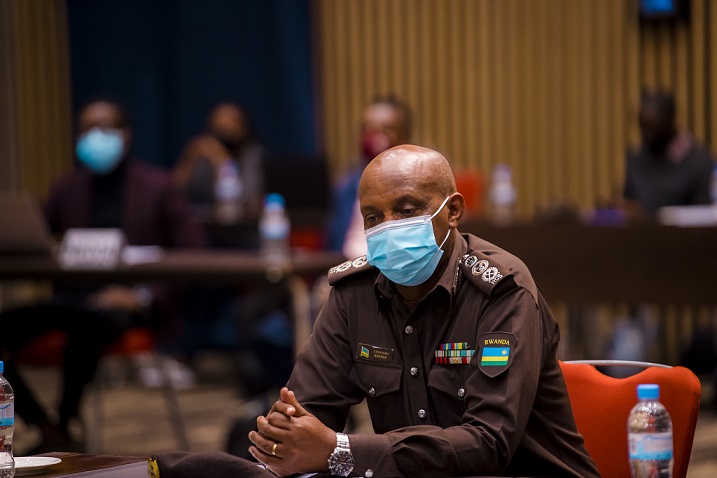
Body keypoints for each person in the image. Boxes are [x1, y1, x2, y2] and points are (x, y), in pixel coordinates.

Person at [245, 145, 600, 477]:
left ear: (453, 211)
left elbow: (490, 442)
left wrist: (342, 451)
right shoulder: (355, 295)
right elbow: (305, 415)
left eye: (406, 210)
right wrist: (287, 437)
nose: (388, 227)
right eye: (373, 217)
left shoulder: (503, 291)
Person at [0, 95, 206, 453]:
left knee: (86, 325)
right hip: (69, 298)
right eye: (86, 129)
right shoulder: (67, 187)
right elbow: (38, 235)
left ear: (125, 135)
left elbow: (193, 252)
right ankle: (47, 427)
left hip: (125, 306)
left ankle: (66, 421)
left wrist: (141, 295)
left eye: (103, 128)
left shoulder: (157, 186)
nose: (94, 136)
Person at [326, 94, 413, 258]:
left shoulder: (416, 189)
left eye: (385, 129)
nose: (373, 136)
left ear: (404, 137)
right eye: (367, 128)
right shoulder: (345, 187)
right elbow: (332, 245)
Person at [623, 89, 714, 221]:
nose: (646, 133)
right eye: (642, 125)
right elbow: (629, 204)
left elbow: (704, 216)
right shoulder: (636, 159)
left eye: (652, 127)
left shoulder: (699, 163)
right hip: (639, 233)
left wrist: (649, 216)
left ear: (670, 120)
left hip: (681, 233)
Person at [173, 101, 266, 227]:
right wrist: (188, 160)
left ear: (244, 127)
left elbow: (249, 199)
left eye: (232, 123)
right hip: (203, 225)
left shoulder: (252, 155)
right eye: (219, 125)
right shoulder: (203, 154)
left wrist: (222, 161)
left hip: (243, 227)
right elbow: (174, 193)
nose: (225, 127)